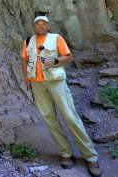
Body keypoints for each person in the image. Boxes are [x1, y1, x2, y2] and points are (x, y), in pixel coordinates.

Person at [21, 16, 102, 177]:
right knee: (49, 119)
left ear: (47, 26)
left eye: (44, 23)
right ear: (34, 26)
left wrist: (55, 60)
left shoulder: (56, 38)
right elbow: (24, 60)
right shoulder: (28, 41)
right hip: (37, 84)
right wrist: (27, 80)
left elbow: (69, 57)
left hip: (56, 82)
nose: (41, 26)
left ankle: (90, 157)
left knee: (70, 117)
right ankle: (66, 153)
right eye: (38, 24)